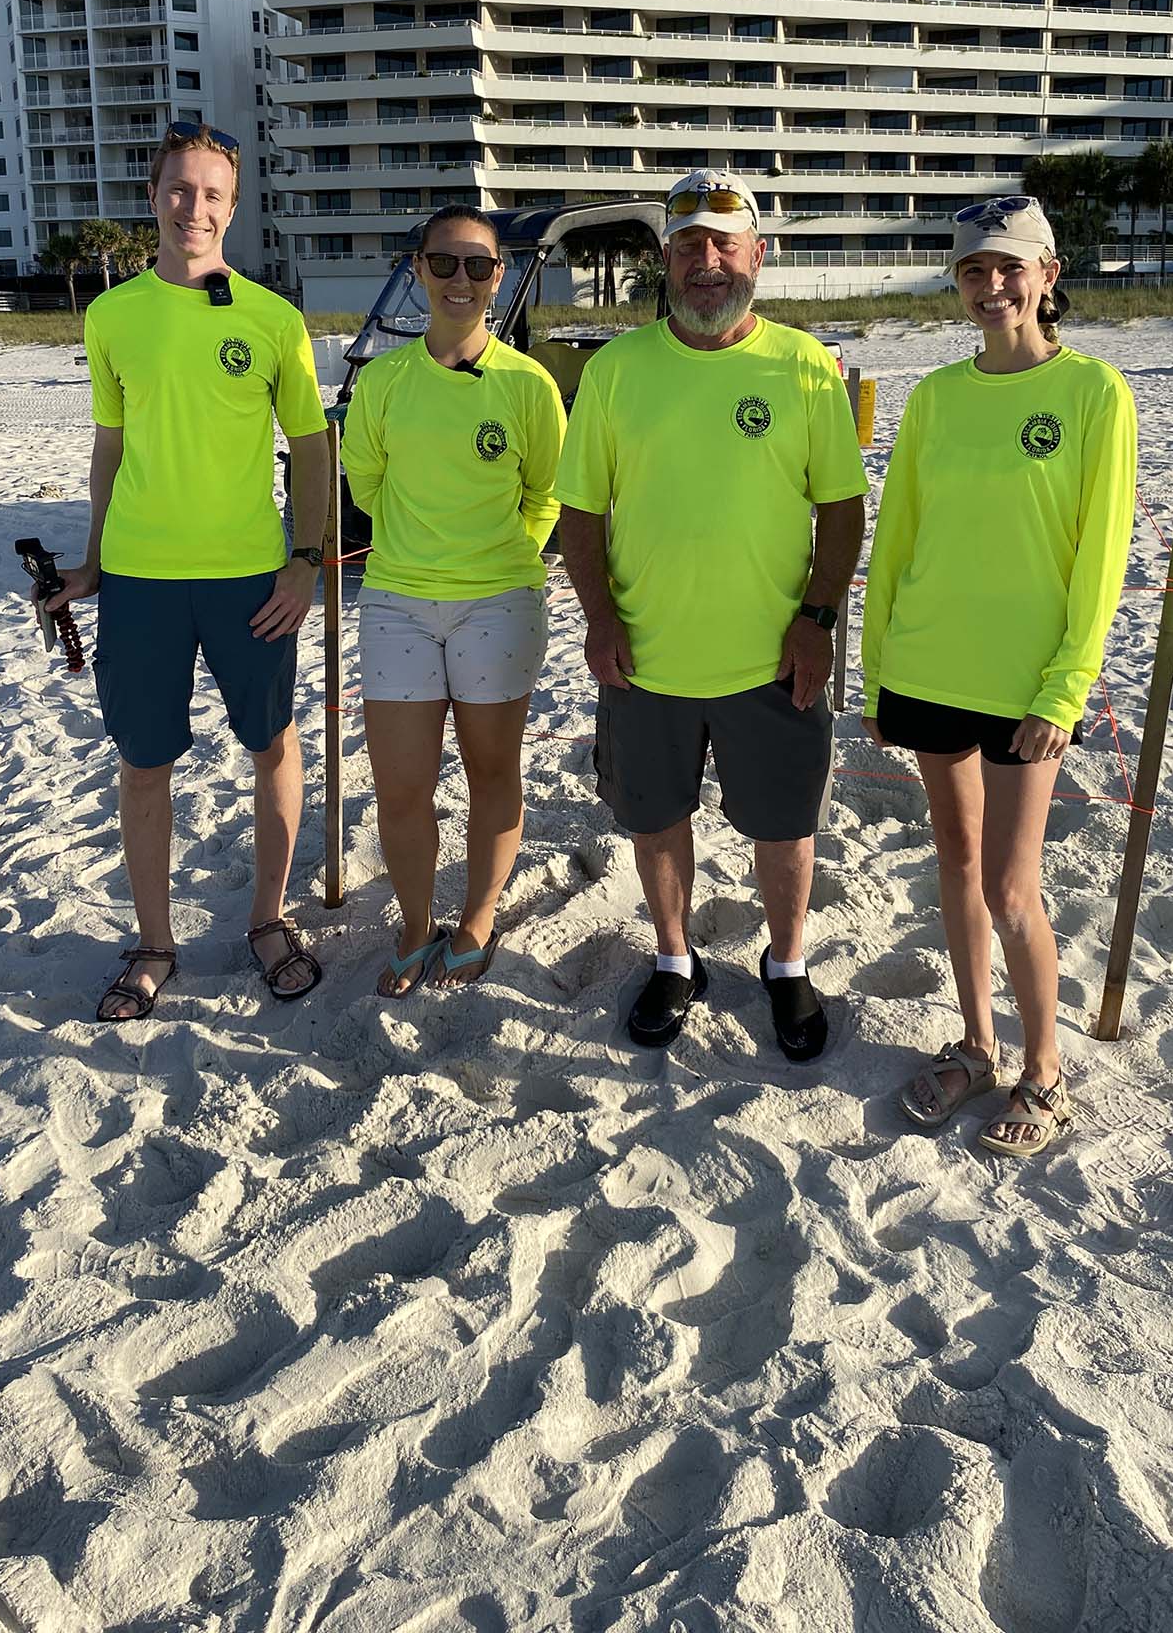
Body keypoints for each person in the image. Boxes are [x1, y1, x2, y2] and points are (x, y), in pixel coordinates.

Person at [555, 169, 868, 1060]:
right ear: (666, 257)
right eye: (688, 244)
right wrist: (599, 615)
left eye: (725, 243)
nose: (707, 261)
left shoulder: (807, 367)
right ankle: (673, 957)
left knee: (785, 827)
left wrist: (817, 616)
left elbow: (840, 510)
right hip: (646, 656)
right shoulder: (615, 370)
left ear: (757, 257)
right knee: (656, 821)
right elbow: (580, 513)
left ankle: (789, 964)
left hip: (773, 657)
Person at [861, 196, 1137, 1156]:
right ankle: (977, 1045)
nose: (991, 286)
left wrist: (1065, 689)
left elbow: (1098, 564)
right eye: (974, 271)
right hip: (931, 666)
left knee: (1016, 890)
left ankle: (1044, 1072)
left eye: (1009, 268)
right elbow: (897, 541)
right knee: (958, 865)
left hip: (1027, 686)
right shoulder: (937, 396)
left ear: (1048, 274)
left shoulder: (1096, 394)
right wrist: (878, 673)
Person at [44, 120, 331, 1022]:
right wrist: (93, 562)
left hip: (252, 578)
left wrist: (306, 561)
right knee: (143, 763)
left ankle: (268, 920)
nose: (193, 208)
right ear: (154, 196)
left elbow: (314, 450)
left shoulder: (272, 319)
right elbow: (109, 446)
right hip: (140, 581)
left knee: (272, 745)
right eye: (179, 189)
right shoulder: (111, 316)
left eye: (211, 194)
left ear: (233, 209)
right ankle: (155, 944)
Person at [342, 206, 567, 994]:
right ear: (419, 269)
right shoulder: (383, 381)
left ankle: (476, 917)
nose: (460, 280)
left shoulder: (528, 384)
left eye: (478, 265)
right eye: (444, 264)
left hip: (499, 601)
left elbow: (547, 493)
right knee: (402, 784)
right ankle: (412, 921)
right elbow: (365, 485)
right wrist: (424, 546)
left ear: (499, 277)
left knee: (490, 773)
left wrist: (503, 555)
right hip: (399, 599)